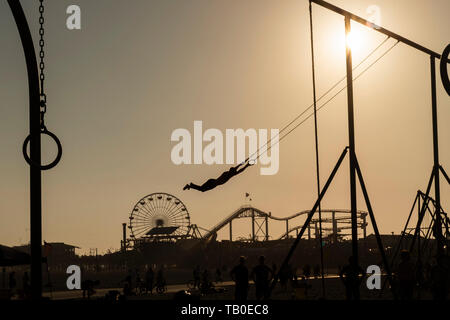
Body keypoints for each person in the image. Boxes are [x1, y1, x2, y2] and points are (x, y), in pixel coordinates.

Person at [184, 161, 254, 192]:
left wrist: (245, 162)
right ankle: (191, 185)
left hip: (212, 181)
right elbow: (240, 169)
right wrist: (247, 165)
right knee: (202, 190)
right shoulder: (231, 174)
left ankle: (191, 185)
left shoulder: (228, 172)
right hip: (213, 183)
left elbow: (239, 166)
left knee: (202, 189)